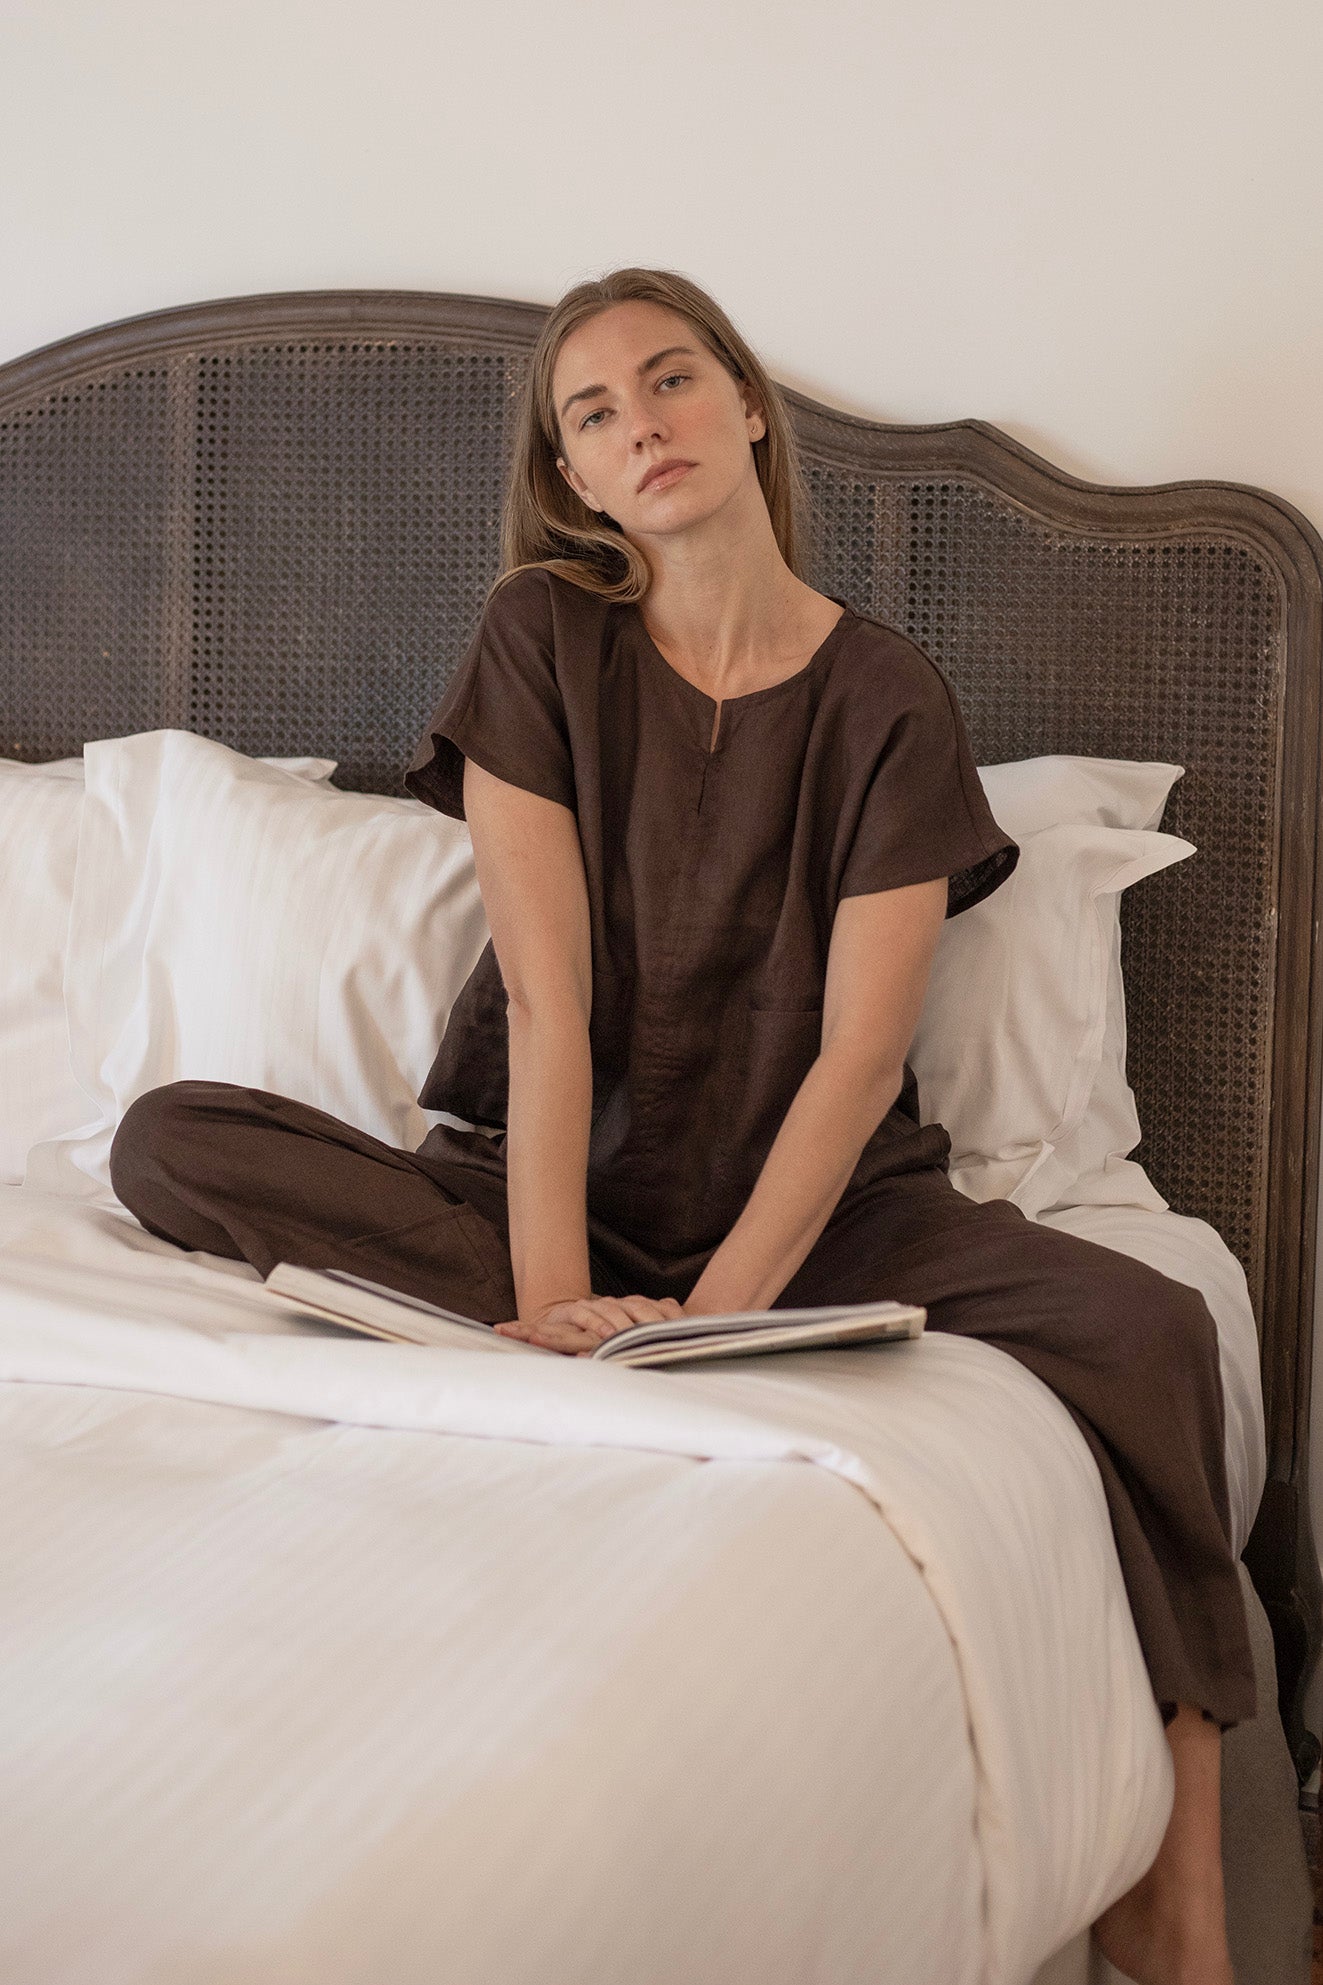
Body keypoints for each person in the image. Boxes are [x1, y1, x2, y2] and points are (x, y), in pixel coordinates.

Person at [109, 265, 1255, 1984]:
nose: (639, 424)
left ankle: (1180, 1885)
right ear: (572, 473)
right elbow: (553, 1010)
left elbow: (863, 1056)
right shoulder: (539, 638)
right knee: (163, 1136)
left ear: (744, 406)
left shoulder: (887, 697)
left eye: (670, 381)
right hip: (540, 1199)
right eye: (594, 411)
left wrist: (713, 1320)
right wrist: (567, 1305)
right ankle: (556, 1300)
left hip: (827, 1211)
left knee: (1156, 1330)